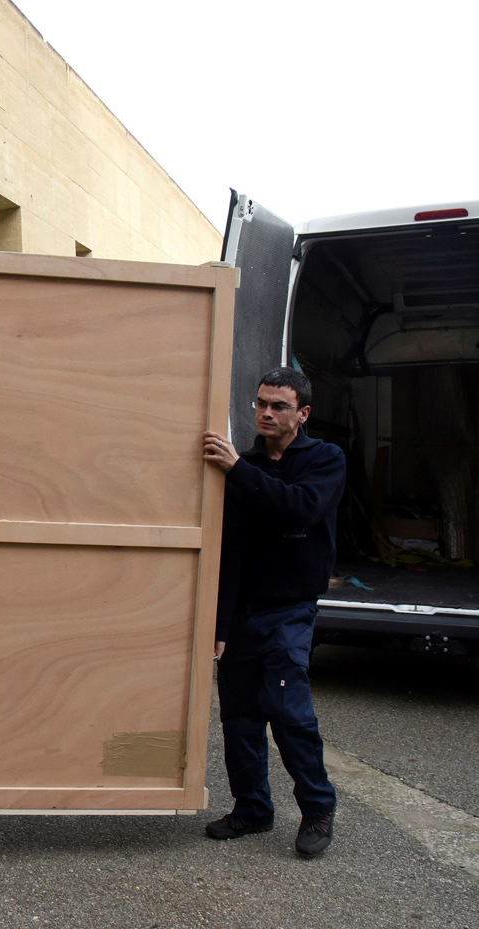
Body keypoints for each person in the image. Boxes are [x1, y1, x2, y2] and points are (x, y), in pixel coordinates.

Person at [202, 366, 344, 857]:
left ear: (302, 413)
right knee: (239, 716)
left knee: (288, 711)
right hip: (244, 610)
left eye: (278, 406)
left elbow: (299, 508)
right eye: (260, 403)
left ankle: (319, 808)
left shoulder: (325, 460)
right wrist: (220, 623)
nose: (265, 413)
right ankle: (253, 809)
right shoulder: (243, 460)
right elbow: (232, 550)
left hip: (291, 609)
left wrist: (239, 470)